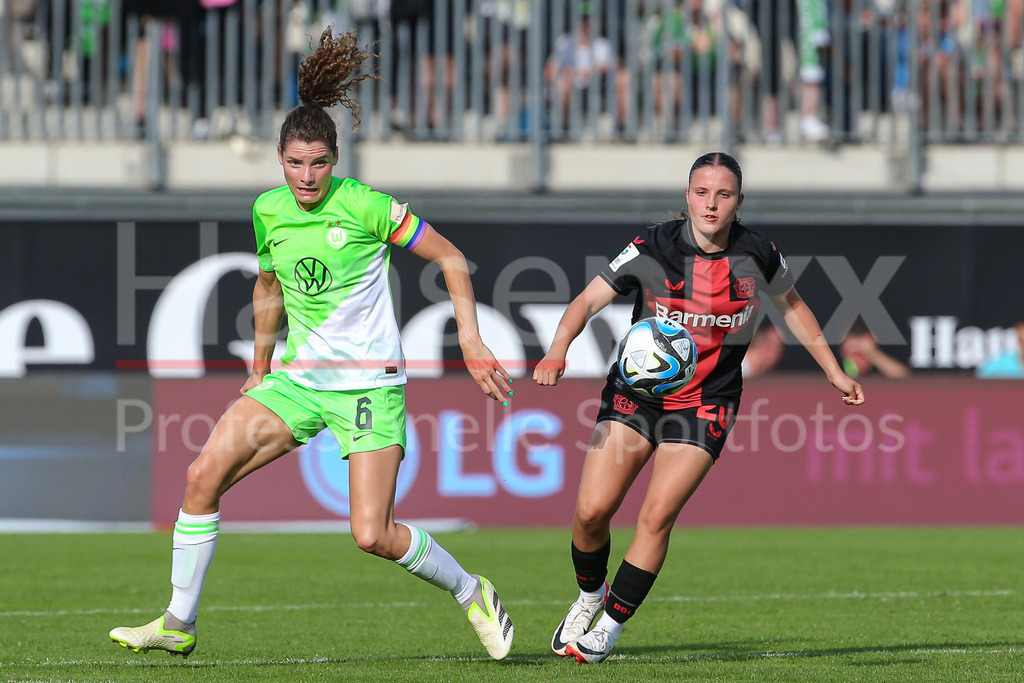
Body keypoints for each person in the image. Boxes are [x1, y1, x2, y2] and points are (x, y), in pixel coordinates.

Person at [109, 27, 515, 661]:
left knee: (372, 535)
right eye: (296, 163)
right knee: (200, 476)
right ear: (279, 158)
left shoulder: (366, 207)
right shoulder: (269, 209)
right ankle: (177, 623)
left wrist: (470, 339)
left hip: (368, 386)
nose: (307, 176)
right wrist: (260, 365)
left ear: (335, 159)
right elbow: (268, 285)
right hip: (297, 382)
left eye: (319, 162)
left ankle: (472, 591)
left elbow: (452, 259)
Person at [533, 151, 864, 664]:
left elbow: (794, 308)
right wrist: (559, 348)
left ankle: (610, 627)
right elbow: (584, 303)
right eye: (702, 192)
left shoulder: (759, 254)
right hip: (635, 396)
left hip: (708, 402)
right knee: (591, 512)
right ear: (687, 195)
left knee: (657, 515)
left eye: (724, 194)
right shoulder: (652, 246)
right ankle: (588, 598)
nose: (712, 203)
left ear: (739, 202)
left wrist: (834, 371)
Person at [839, 320, 911, 378]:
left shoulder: (877, 358)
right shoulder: (838, 360)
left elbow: (903, 376)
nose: (856, 345)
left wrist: (872, 353)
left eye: (861, 338)